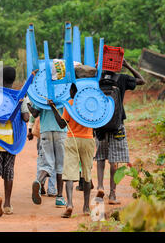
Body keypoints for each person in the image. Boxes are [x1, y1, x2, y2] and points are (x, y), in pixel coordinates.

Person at [94, 58, 145, 204]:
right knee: (114, 160)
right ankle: (112, 195)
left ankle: (99, 187)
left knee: (100, 158)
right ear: (117, 65)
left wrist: (97, 68)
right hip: (117, 125)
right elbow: (141, 80)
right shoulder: (122, 78)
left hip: (100, 124)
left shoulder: (98, 79)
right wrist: (128, 65)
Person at [0, 66, 34, 217]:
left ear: (0, 79)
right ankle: (7, 204)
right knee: (8, 172)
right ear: (14, 80)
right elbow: (26, 118)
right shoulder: (20, 96)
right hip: (11, 140)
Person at [49, 83, 96, 218]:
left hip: (72, 139)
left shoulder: (70, 103)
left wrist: (53, 108)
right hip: (88, 139)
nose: (69, 92)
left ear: (74, 91)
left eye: (70, 89)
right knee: (87, 173)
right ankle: (86, 207)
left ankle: (69, 204)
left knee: (69, 174)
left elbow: (62, 124)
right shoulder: (90, 103)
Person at [28, 99, 67, 208]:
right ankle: (59, 197)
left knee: (47, 164)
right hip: (61, 132)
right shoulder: (63, 91)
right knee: (60, 165)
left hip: (45, 131)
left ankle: (38, 181)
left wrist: (28, 106)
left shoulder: (41, 93)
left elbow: (35, 114)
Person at [28, 111, 58, 197]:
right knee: (55, 162)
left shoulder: (40, 98)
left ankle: (40, 185)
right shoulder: (61, 98)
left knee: (42, 160)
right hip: (57, 133)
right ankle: (52, 189)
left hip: (43, 133)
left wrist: (30, 130)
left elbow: (33, 115)